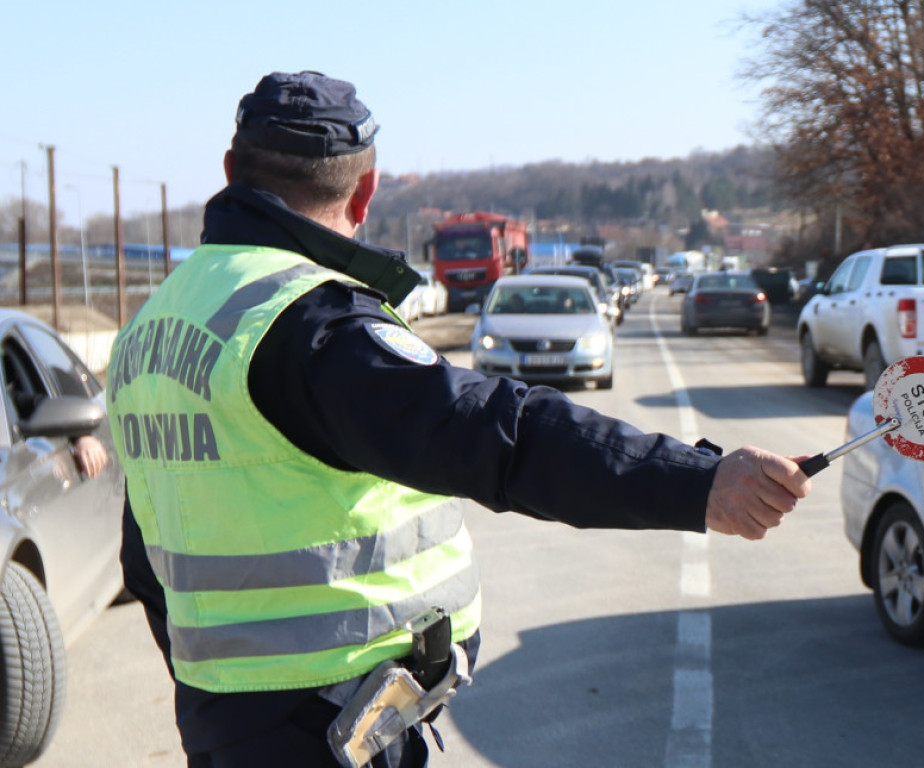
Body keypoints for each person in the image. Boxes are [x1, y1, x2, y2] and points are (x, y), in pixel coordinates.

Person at [107, 71, 811, 768]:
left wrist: (220, 695)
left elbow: (146, 551)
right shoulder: (310, 324)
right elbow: (500, 436)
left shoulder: (153, 325)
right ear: (365, 191)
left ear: (231, 172)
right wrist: (698, 483)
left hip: (222, 718)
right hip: (324, 724)